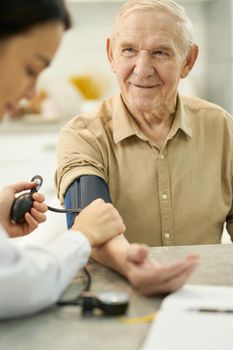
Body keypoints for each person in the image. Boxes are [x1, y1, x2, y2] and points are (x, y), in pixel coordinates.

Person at [56, 0, 202, 296]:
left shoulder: (224, 129)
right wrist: (131, 264)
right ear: (111, 54)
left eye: (160, 52)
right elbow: (88, 217)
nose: (142, 69)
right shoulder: (83, 134)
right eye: (129, 50)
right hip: (115, 296)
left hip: (200, 294)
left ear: (188, 60)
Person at [0, 0, 126, 319]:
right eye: (30, 69)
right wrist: (81, 237)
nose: (30, 93)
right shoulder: (83, 132)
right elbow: (13, 285)